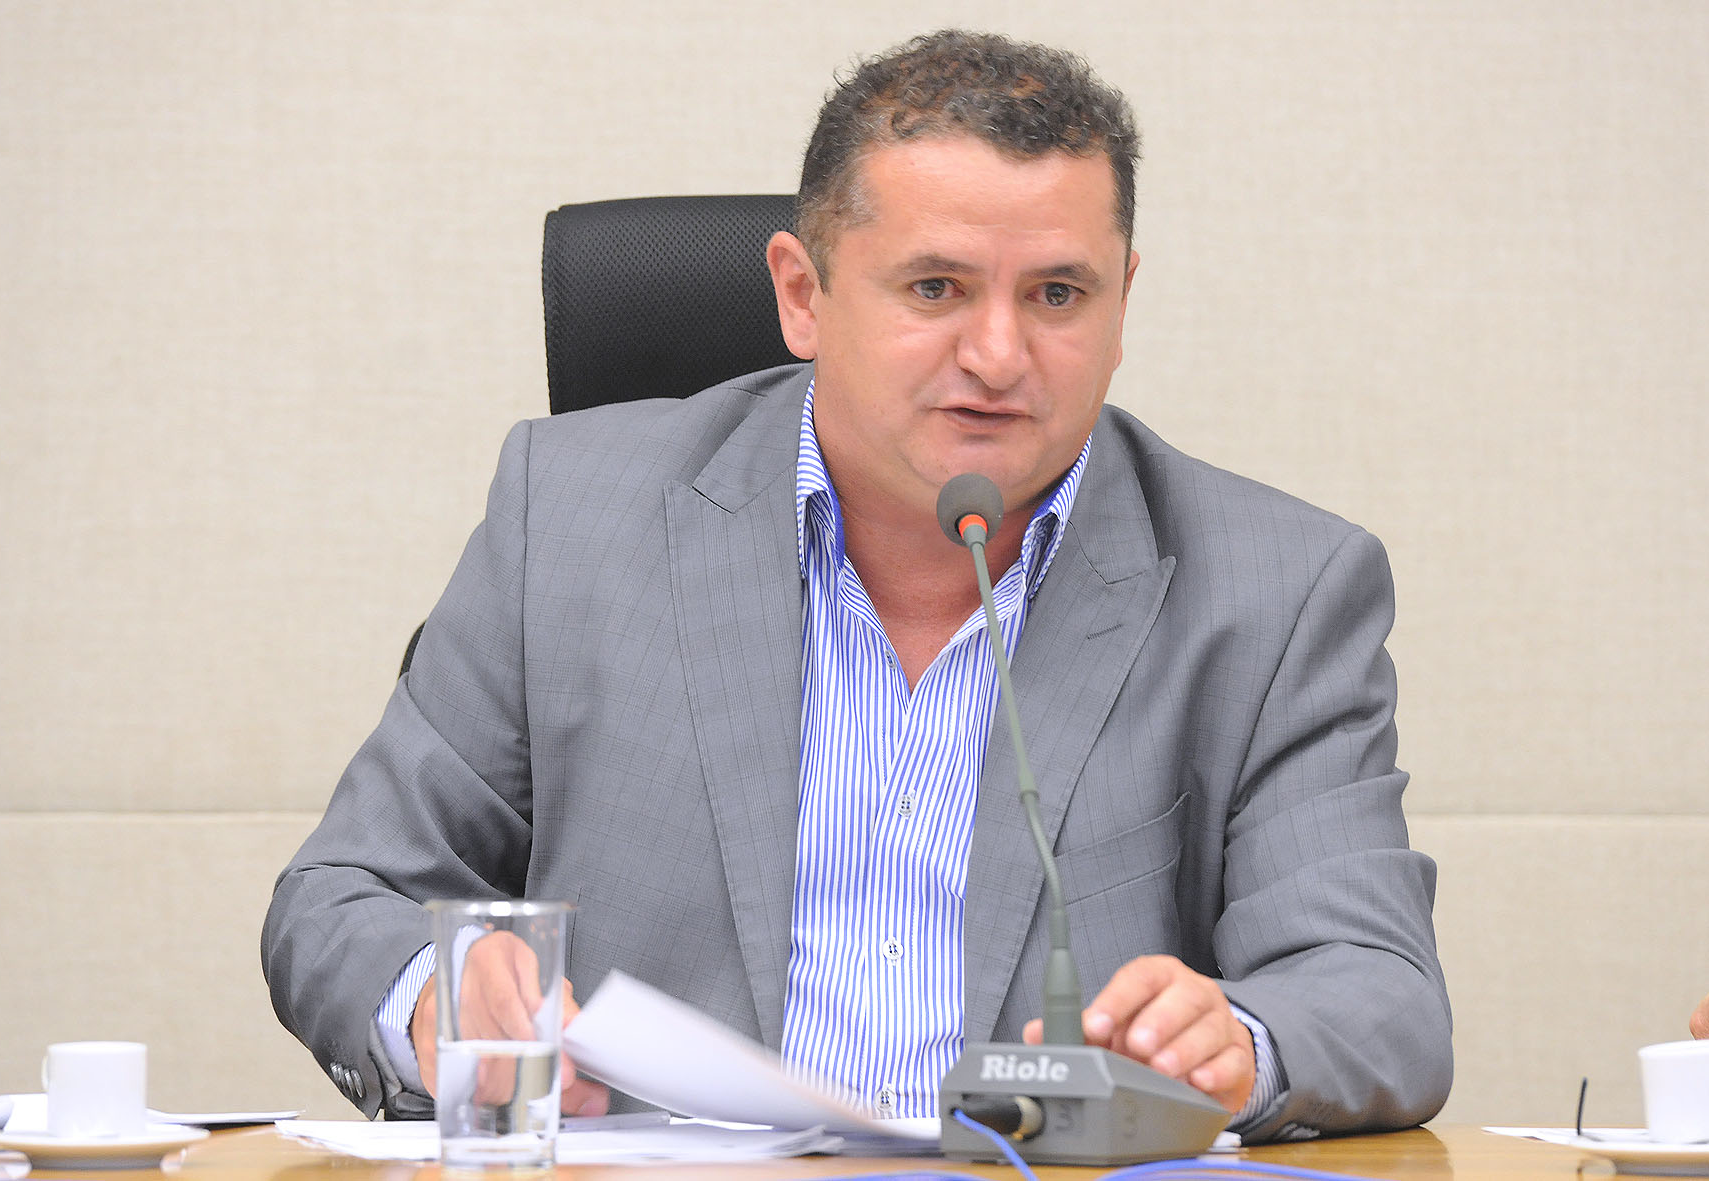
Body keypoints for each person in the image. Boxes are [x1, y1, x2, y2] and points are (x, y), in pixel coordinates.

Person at [262, 30, 1452, 1142]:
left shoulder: (1275, 589)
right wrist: (435, 1000)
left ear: (1121, 302)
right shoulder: (568, 519)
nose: (998, 355)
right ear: (801, 294)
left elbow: (1374, 991)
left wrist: (1236, 1042)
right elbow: (342, 894)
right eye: (935, 288)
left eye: (1056, 293)